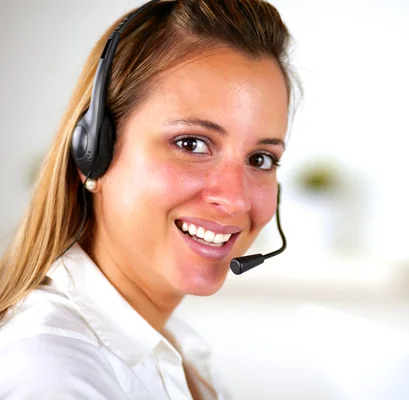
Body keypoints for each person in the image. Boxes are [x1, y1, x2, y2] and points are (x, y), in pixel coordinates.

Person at [0, 0, 297, 398]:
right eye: (191, 143)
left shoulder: (172, 349)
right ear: (93, 154)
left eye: (261, 159)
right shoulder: (51, 371)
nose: (235, 199)